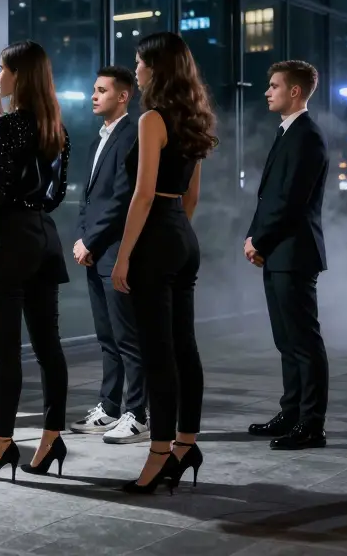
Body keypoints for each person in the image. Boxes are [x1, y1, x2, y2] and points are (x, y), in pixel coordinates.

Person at [111, 32, 216, 495]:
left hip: (156, 235)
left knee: (158, 353)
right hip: (182, 236)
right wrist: (175, 234)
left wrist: (125, 255)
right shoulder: (196, 118)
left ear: (155, 67)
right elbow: (191, 196)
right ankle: (185, 444)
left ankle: (158, 453)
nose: (135, 70)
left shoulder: (152, 118)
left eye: (139, 62)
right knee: (185, 347)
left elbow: (142, 194)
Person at [0, 40, 70, 483]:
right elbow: (57, 194)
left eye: (3, 69)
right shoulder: (56, 127)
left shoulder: (10, 124)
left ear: (19, 75)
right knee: (49, 347)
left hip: (9, 240)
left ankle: (1, 444)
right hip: (44, 236)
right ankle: (50, 439)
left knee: (6, 350)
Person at [244, 60, 330, 450]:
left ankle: (311, 424)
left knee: (303, 342)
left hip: (294, 253)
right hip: (279, 251)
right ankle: (291, 413)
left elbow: (291, 201)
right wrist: (255, 237)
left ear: (295, 91)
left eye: (274, 85)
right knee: (287, 341)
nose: (267, 91)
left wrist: (259, 241)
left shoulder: (307, 136)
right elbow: (270, 197)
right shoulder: (288, 132)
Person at [71, 65, 145, 444]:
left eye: (102, 90)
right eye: (94, 89)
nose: (94, 96)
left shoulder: (132, 136)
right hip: (96, 250)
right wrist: (83, 239)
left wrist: (91, 241)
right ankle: (110, 407)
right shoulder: (98, 140)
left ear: (123, 96)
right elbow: (88, 199)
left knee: (127, 337)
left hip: (115, 251)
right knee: (106, 337)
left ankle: (138, 413)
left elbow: (122, 199)